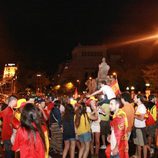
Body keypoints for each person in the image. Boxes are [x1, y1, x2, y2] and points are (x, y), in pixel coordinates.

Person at [133, 94, 147, 158]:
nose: (133, 99)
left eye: (134, 98)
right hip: (137, 127)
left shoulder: (142, 107)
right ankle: (139, 156)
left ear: (138, 99)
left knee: (143, 145)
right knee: (138, 144)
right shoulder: (138, 106)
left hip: (141, 128)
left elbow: (141, 118)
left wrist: (134, 115)